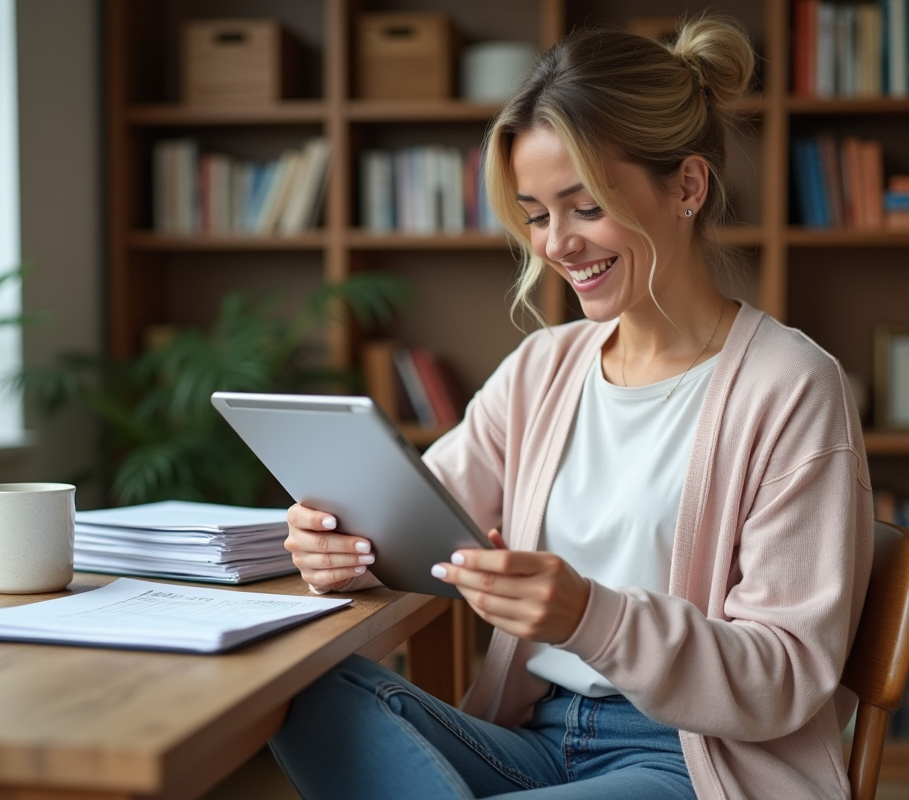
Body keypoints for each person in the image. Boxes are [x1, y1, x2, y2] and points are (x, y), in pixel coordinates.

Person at [270, 15, 873, 800]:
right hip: (537, 741)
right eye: (535, 214)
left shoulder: (791, 386)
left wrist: (593, 615)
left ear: (686, 186)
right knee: (301, 689)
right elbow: (419, 518)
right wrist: (337, 544)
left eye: (585, 207)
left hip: (692, 761)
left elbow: (787, 675)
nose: (556, 244)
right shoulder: (544, 369)